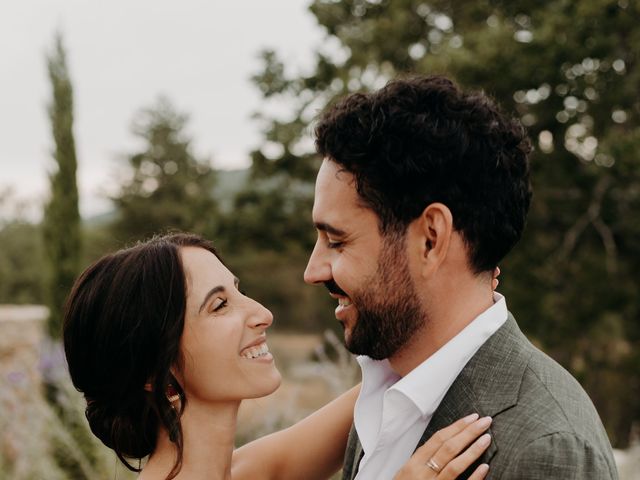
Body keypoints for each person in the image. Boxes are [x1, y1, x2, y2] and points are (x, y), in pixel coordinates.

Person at [304, 75, 619, 479]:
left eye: (337, 241)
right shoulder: (389, 386)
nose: (313, 272)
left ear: (431, 239)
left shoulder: (546, 449)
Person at [63, 232, 493, 480]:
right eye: (219, 305)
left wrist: (454, 282)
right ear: (153, 374)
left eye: (238, 290)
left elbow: (387, 381)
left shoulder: (246, 472)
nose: (262, 314)